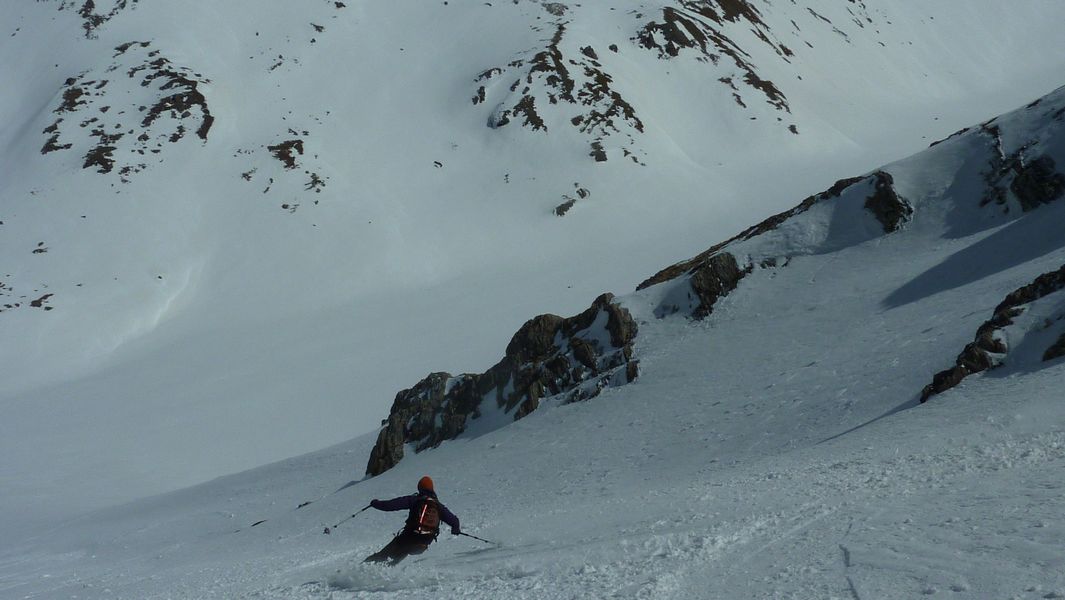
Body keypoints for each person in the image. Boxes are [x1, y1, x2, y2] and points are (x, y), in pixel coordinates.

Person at [363, 476, 461, 564]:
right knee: (398, 557)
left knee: (383, 555)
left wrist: (375, 503)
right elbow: (454, 521)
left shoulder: (415, 500)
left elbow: (391, 505)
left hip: (409, 536)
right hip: (424, 542)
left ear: (420, 488)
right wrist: (455, 530)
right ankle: (384, 575)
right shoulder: (438, 506)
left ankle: (361, 571)